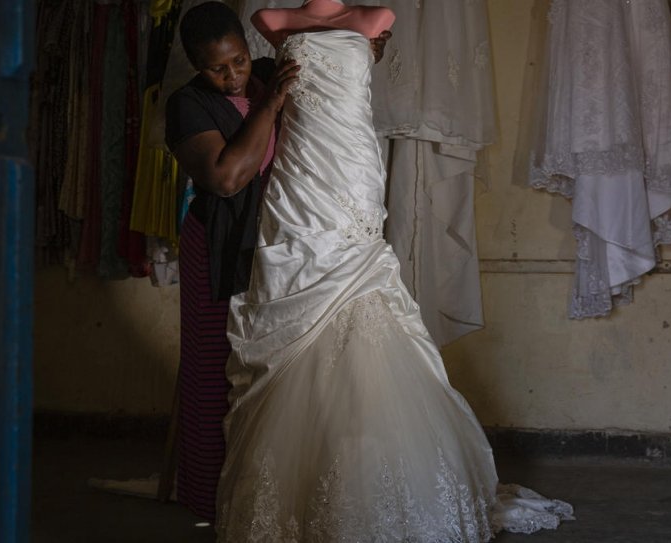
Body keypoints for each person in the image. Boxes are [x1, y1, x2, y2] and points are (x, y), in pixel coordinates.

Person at [217, 1, 574, 540]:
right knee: (299, 292)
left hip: (352, 168)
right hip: (299, 172)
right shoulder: (273, 19)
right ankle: (303, 485)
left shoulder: (376, 16)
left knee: (364, 301)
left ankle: (378, 481)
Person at [164, 1, 390, 522]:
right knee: (210, 369)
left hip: (274, 243)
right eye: (216, 68)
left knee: (259, 365)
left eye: (239, 60)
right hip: (218, 245)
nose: (233, 76)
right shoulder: (188, 105)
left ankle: (252, 489)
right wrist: (270, 105)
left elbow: (326, 85)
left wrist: (360, 51)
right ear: (198, 67)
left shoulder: (266, 74)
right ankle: (204, 500)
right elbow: (226, 178)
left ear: (249, 48)